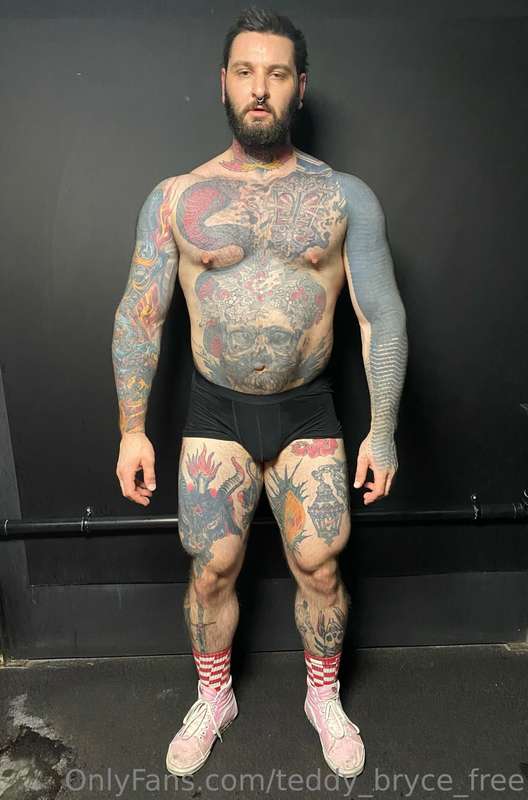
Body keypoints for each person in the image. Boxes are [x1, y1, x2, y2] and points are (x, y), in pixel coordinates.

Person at [112, 6, 408, 781]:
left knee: (321, 567)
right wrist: (132, 429)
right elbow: (141, 313)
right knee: (210, 567)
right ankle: (214, 697)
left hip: (308, 409)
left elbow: (380, 316)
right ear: (223, 82)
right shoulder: (175, 197)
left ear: (299, 87)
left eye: (277, 73)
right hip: (215, 412)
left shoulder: (344, 196)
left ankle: (323, 697)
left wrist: (382, 430)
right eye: (245, 71)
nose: (260, 88)